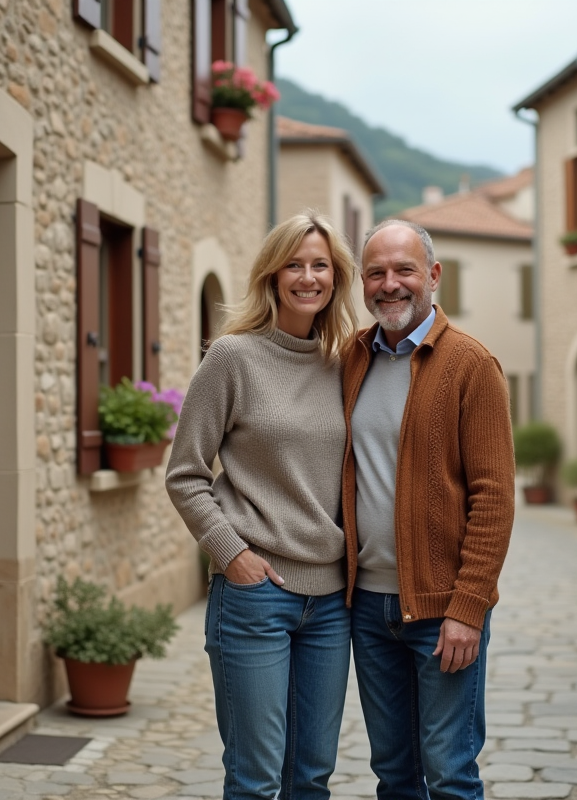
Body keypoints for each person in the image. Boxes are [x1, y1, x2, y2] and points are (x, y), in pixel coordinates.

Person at [165, 211, 359, 800]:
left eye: (320, 265)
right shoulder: (232, 358)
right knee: (254, 779)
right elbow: (185, 475)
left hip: (330, 604)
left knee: (311, 777)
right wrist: (233, 556)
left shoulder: (348, 363)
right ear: (273, 276)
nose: (308, 277)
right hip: (256, 598)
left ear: (336, 277)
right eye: (294, 264)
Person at [340, 219, 516, 800]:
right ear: (363, 283)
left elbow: (494, 498)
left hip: (444, 613)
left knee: (449, 772)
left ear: (433, 276)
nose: (390, 284)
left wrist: (468, 607)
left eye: (404, 270)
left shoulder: (471, 364)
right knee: (393, 773)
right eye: (376, 273)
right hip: (367, 607)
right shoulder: (351, 359)